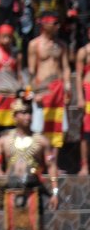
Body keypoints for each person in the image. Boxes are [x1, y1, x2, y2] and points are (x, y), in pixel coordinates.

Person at [0, 98, 58, 230]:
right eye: (23, 113)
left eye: (29, 113)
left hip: (34, 194)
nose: (28, 116)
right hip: (11, 195)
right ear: (14, 116)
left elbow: (51, 165)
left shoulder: (41, 141)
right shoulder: (4, 140)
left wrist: (55, 191)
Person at [27, 13, 71, 150]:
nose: (57, 26)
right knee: (40, 126)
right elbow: (31, 71)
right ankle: (40, 163)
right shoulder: (34, 45)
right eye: (54, 23)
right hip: (42, 87)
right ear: (45, 25)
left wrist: (68, 86)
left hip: (58, 87)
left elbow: (66, 68)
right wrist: (34, 92)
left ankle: (53, 164)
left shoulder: (61, 45)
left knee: (57, 126)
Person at [0, 24, 22, 133]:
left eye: (9, 36)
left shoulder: (16, 54)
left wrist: (21, 92)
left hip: (12, 93)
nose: (7, 39)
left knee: (12, 123)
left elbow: (19, 74)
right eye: (4, 36)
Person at [76, 26, 90, 175]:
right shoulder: (84, 51)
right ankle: (84, 165)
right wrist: (80, 97)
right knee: (86, 133)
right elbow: (79, 75)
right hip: (89, 93)